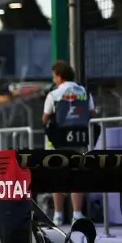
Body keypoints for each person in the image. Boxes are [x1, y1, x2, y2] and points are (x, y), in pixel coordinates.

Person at [42, 60, 96, 226]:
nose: (54, 79)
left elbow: (45, 118)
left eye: (54, 76)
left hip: (58, 142)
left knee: (58, 176)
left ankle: (58, 215)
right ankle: (77, 214)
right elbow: (92, 113)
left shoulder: (54, 94)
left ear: (59, 76)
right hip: (80, 140)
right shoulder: (85, 92)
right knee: (77, 176)